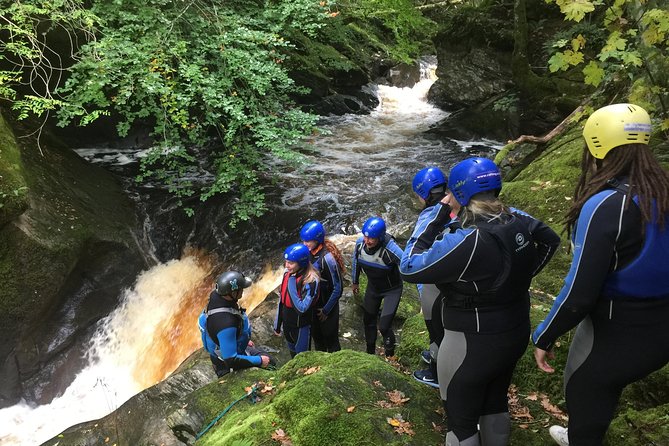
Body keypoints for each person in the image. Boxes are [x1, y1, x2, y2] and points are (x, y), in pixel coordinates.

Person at [532, 103, 669, 446]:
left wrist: (544, 336)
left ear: (596, 147)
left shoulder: (606, 205)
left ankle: (582, 436)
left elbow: (579, 294)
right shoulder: (661, 189)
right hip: (662, 328)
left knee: (584, 387)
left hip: (615, 331)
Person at [400, 157, 560, 446]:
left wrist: (437, 216)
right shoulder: (515, 218)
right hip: (514, 331)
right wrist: (520, 276)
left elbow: (409, 267)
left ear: (457, 194)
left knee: (460, 422)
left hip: (470, 340)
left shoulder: (467, 239)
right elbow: (550, 240)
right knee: (495, 402)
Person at [411, 166, 451, 388]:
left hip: (434, 282)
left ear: (423, 195)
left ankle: (436, 374)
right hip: (452, 278)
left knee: (436, 328)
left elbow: (414, 259)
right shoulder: (456, 207)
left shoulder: (429, 216)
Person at [198, 271, 272, 377]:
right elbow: (231, 359)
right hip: (228, 364)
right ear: (232, 293)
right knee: (270, 363)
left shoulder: (216, 296)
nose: (242, 291)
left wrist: (243, 338)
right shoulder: (225, 323)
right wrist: (259, 361)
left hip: (221, 351)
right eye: (240, 289)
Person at [351, 216, 404, 357]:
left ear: (380, 237)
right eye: (365, 237)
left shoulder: (391, 249)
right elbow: (355, 261)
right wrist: (355, 281)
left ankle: (390, 355)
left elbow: (408, 266)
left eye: (371, 238)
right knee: (368, 321)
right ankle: (369, 354)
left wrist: (421, 291)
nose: (367, 241)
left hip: (392, 290)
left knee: (384, 326)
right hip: (373, 288)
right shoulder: (359, 244)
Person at [299, 220, 345, 352]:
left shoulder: (327, 259)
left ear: (317, 239)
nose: (305, 244)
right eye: (304, 241)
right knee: (317, 340)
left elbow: (338, 287)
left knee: (331, 342)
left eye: (308, 241)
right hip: (313, 305)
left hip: (326, 306)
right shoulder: (307, 253)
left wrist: (326, 310)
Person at [274, 243, 320, 357]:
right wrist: (278, 323)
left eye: (291, 263)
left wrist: (291, 284)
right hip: (287, 322)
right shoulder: (287, 273)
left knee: (303, 358)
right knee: (293, 355)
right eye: (286, 262)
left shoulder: (311, 280)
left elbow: (302, 308)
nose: (287, 266)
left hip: (301, 326)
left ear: (302, 262)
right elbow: (282, 300)